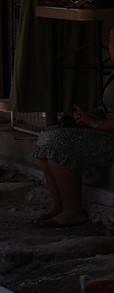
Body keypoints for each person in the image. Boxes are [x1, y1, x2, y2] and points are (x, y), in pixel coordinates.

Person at [32, 29, 114, 227]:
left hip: (110, 137)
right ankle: (59, 205)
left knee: (58, 143)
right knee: (47, 137)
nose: (111, 46)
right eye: (110, 40)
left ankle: (73, 211)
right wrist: (88, 116)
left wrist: (94, 123)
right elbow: (107, 108)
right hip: (104, 130)